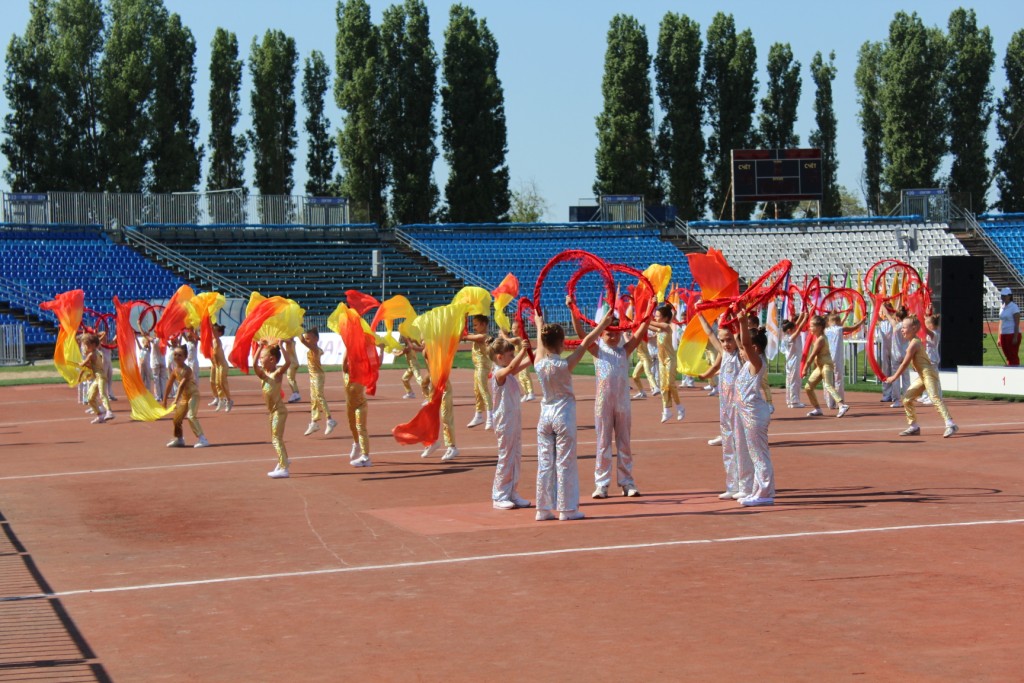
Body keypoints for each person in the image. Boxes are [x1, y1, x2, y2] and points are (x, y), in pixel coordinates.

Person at [533, 308, 612, 521]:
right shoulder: (565, 365)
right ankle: (567, 509)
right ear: (562, 343)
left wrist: (539, 325)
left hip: (545, 416)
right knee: (565, 462)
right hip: (563, 416)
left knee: (545, 462)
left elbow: (541, 347)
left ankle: (542, 509)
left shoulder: (539, 363)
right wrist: (603, 323)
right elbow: (586, 342)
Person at [570, 296, 650, 498]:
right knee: (603, 442)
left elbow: (639, 334)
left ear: (621, 333)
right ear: (602, 334)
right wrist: (572, 308)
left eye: (616, 333)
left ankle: (627, 482)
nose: (613, 337)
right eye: (608, 333)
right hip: (603, 404)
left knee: (624, 442)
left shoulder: (624, 351)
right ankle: (601, 483)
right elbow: (581, 333)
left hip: (622, 404)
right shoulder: (598, 350)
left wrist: (650, 308)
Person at [696, 314, 750, 500]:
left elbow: (742, 341)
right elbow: (710, 334)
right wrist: (700, 314)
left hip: (740, 408)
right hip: (725, 408)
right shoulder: (724, 354)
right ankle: (732, 485)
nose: (726, 344)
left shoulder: (742, 356)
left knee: (741, 446)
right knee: (728, 446)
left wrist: (738, 325)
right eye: (723, 341)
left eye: (729, 340)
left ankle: (746, 485)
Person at [885, 315, 958, 438]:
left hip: (929, 374)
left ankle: (950, 423)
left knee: (935, 397)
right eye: (901, 327)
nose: (901, 330)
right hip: (922, 375)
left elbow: (904, 364)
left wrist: (894, 377)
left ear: (913, 329)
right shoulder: (913, 342)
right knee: (907, 399)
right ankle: (914, 426)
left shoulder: (914, 343)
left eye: (904, 327)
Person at [488, 338, 533, 510]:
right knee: (506, 457)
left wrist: (540, 349)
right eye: (510, 355)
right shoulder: (499, 374)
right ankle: (499, 495)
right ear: (500, 357)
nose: (514, 357)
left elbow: (527, 362)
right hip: (504, 422)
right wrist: (522, 350)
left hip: (514, 420)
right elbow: (513, 367)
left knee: (515, 456)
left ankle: (512, 491)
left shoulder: (508, 373)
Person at [734, 320, 775, 506]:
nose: (740, 352)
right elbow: (739, 340)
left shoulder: (756, 362)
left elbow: (745, 343)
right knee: (753, 454)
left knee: (759, 455)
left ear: (755, 348)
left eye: (743, 349)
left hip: (754, 414)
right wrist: (734, 316)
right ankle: (758, 490)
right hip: (747, 413)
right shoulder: (748, 363)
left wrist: (743, 321)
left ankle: (765, 493)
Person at [252, 342, 291, 478]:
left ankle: (284, 468)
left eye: (263, 357)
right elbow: (254, 365)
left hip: (279, 411)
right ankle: (284, 460)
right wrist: (259, 347)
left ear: (272, 359)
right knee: (275, 438)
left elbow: (288, 362)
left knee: (276, 438)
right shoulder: (264, 375)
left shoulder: (277, 374)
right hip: (272, 412)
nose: (260, 360)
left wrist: (281, 346)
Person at [162, 344, 210, 448]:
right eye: (175, 355)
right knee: (177, 419)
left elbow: (181, 385)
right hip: (185, 397)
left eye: (180, 355)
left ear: (185, 357)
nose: (177, 357)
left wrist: (175, 399)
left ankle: (202, 439)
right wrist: (164, 400)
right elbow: (169, 385)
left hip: (193, 395)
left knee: (191, 416)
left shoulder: (188, 370)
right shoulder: (174, 370)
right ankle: (179, 439)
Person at [804, 315, 850, 418]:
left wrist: (805, 368)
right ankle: (817, 409)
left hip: (826, 365)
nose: (810, 328)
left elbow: (812, 355)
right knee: (808, 387)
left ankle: (841, 405)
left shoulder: (820, 339)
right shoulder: (818, 338)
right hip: (820, 366)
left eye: (812, 326)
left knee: (828, 385)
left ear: (819, 327)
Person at [648, 303, 685, 423]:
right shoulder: (659, 329)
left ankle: (680, 407)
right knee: (663, 386)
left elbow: (653, 323)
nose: (655, 317)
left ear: (665, 318)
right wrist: (640, 322)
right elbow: (648, 325)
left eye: (658, 315)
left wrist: (645, 318)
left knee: (670, 384)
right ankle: (667, 410)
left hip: (670, 359)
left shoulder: (666, 327)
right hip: (661, 360)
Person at [299, 327, 337, 437]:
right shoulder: (312, 349)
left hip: (317, 376)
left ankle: (330, 419)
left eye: (308, 338)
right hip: (312, 377)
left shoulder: (315, 349)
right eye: (306, 338)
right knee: (314, 399)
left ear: (316, 339)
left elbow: (301, 340)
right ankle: (314, 422)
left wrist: (297, 328)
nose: (306, 340)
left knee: (319, 396)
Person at [824, 313, 865, 410]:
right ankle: (840, 401)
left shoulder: (825, 330)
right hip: (837, 358)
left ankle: (830, 403)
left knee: (828, 381)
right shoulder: (840, 329)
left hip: (827, 358)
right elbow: (853, 327)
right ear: (838, 322)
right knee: (838, 380)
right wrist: (862, 321)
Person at [463, 314, 493, 429]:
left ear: (483, 324)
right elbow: (466, 336)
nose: (474, 327)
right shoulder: (477, 335)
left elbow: (465, 337)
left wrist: (463, 321)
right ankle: (479, 414)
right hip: (477, 367)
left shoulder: (484, 336)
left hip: (483, 367)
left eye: (476, 325)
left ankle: (490, 417)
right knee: (477, 391)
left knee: (483, 391)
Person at [77, 333, 114, 424]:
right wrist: (81, 375)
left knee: (102, 394)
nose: (85, 347)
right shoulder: (96, 352)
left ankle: (109, 411)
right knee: (90, 397)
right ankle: (100, 415)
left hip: (101, 377)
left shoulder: (92, 354)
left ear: (93, 345)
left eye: (87, 345)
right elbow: (89, 366)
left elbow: (83, 364)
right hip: (97, 378)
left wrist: (75, 363)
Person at [342, 355, 371, 467]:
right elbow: (344, 364)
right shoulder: (346, 373)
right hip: (350, 406)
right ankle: (356, 443)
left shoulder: (363, 373)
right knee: (352, 426)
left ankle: (366, 457)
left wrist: (382, 350)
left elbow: (377, 364)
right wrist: (348, 346)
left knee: (361, 427)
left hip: (361, 405)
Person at [880, 306, 911, 407]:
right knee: (906, 378)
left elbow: (888, 315)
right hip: (906, 353)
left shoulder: (895, 325)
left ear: (897, 317)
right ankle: (907, 399)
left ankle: (897, 400)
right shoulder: (908, 327)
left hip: (896, 354)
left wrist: (881, 305)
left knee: (896, 378)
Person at [499, 320, 536, 402]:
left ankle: (531, 392)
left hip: (524, 360)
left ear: (520, 329)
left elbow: (511, 341)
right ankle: (526, 393)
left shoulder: (519, 338)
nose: (513, 330)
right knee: (521, 377)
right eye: (512, 328)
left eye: (514, 328)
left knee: (526, 376)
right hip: (519, 361)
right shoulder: (516, 338)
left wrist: (504, 335)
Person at [781, 311, 808, 408]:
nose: (795, 328)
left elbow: (797, 325)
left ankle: (790, 400)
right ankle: (794, 402)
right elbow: (799, 327)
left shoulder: (787, 336)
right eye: (793, 328)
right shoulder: (790, 338)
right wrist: (805, 317)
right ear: (789, 330)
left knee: (789, 380)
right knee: (794, 381)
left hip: (791, 361)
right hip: (793, 361)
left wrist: (802, 314)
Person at [208, 324, 233, 412]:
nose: (212, 333)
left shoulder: (218, 341)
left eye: (214, 331)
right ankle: (221, 400)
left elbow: (211, 330)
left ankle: (229, 400)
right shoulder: (213, 341)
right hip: (217, 366)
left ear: (219, 333)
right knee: (217, 383)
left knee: (222, 383)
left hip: (223, 365)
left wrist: (209, 321)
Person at [395, 336, 429, 400]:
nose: (402, 340)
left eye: (403, 338)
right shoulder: (411, 345)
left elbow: (400, 354)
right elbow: (419, 347)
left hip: (414, 365)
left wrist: (393, 353)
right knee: (404, 379)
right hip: (411, 366)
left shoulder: (408, 347)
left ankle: (428, 390)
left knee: (418, 378)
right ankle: (410, 393)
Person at [998, 287, 1020, 366]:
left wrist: (1015, 336)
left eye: (1005, 296)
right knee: (1007, 355)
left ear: (1010, 296)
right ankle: (1009, 369)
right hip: (1003, 334)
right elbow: (1001, 322)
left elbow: (1017, 323)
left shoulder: (1014, 307)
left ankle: (1015, 370)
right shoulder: (1002, 306)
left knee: (1013, 355)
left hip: (1012, 333)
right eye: (1002, 296)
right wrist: (999, 337)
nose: (1003, 297)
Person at [281, 338, 301, 403]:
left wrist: (281, 340)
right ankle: (296, 393)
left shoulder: (290, 342)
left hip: (292, 363)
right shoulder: (292, 342)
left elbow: (286, 340)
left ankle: (295, 393)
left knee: (290, 378)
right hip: (295, 363)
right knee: (292, 378)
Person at [150, 334, 168, 402]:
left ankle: (158, 396)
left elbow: (147, 337)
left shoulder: (156, 340)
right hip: (163, 361)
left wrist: (140, 326)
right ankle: (163, 395)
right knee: (163, 379)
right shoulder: (164, 340)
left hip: (156, 362)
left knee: (156, 379)